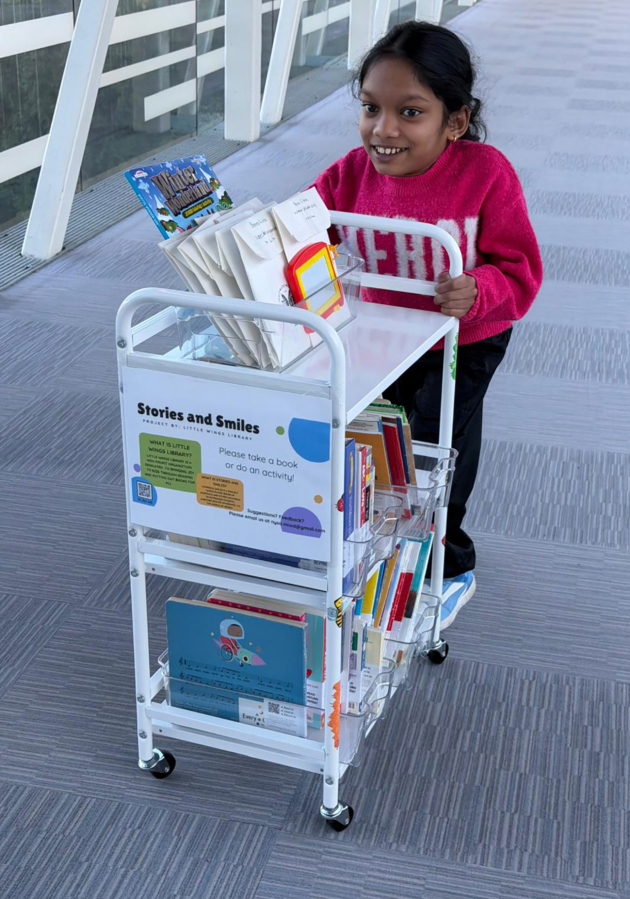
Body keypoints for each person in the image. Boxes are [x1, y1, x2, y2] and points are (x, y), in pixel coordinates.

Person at [313, 21, 543, 628]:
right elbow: (306, 229)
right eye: (370, 109)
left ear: (455, 121)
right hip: (382, 335)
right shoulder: (349, 174)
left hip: (466, 337)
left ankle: (451, 563)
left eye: (409, 113)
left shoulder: (487, 173)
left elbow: (521, 271)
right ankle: (372, 545)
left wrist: (478, 288)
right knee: (378, 440)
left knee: (435, 449)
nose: (383, 131)